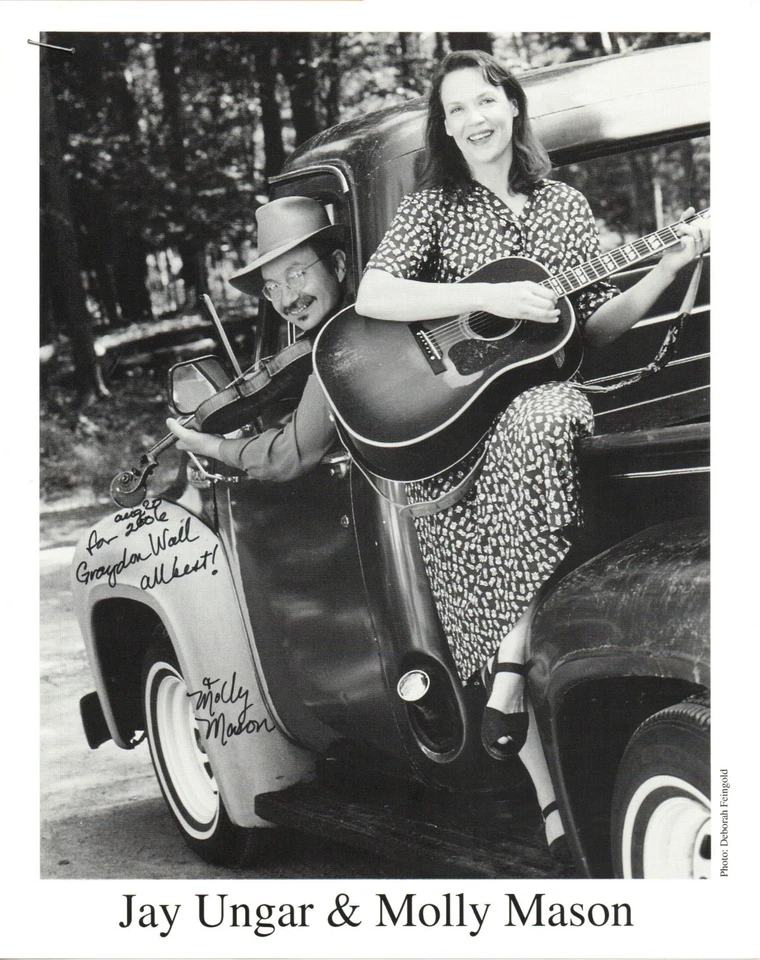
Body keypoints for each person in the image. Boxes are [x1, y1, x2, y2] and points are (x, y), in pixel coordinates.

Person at [355, 49, 710, 859]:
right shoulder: (435, 208)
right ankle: (549, 804)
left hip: (541, 412)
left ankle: (516, 674)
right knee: (483, 609)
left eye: (485, 101)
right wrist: (486, 294)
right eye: (456, 110)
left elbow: (594, 330)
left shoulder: (565, 206)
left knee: (545, 410)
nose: (473, 119)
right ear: (446, 129)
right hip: (455, 436)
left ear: (511, 106)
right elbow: (375, 294)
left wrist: (668, 270)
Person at [167, 196, 344, 481]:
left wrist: (211, 446)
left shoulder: (339, 347)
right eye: (273, 287)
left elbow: (286, 457)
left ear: (337, 265)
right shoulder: (334, 335)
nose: (287, 299)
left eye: (296, 275)